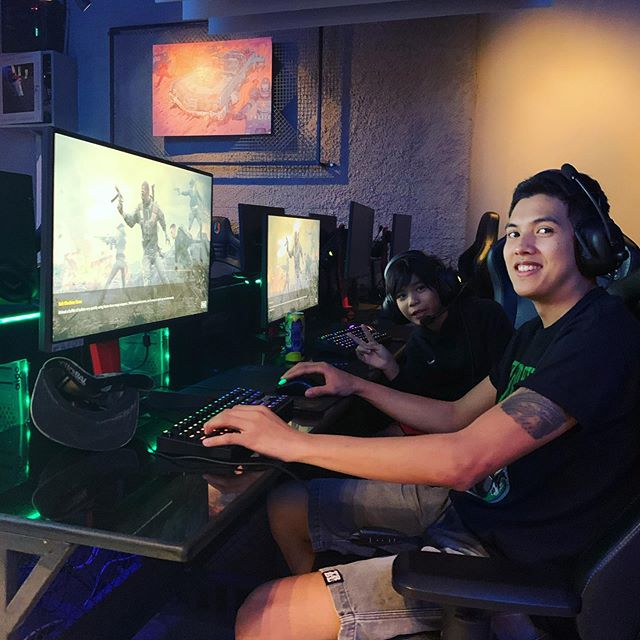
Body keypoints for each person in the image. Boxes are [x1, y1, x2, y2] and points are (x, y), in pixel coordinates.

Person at [202, 166, 640, 640]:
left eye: (545, 230)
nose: (521, 246)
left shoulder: (600, 336)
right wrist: (358, 387)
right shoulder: (536, 332)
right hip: (475, 510)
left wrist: (291, 443)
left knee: (260, 616)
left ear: (589, 243)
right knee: (287, 504)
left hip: (513, 558)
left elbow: (462, 459)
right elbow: (455, 416)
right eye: (514, 233)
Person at [350, 251, 512, 434]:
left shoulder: (485, 315)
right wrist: (389, 365)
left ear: (442, 286)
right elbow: (416, 400)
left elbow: (509, 381)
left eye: (420, 288)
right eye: (402, 296)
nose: (412, 302)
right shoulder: (418, 343)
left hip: (491, 423)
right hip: (443, 423)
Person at [117, 181, 169, 286]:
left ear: (148, 192)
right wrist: (122, 211)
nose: (142, 193)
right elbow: (131, 221)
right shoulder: (139, 209)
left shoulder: (155, 208)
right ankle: (148, 296)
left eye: (144, 191)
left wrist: (166, 234)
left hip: (155, 251)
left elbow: (162, 220)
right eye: (141, 191)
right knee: (146, 278)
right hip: (146, 252)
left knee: (163, 276)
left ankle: (171, 294)